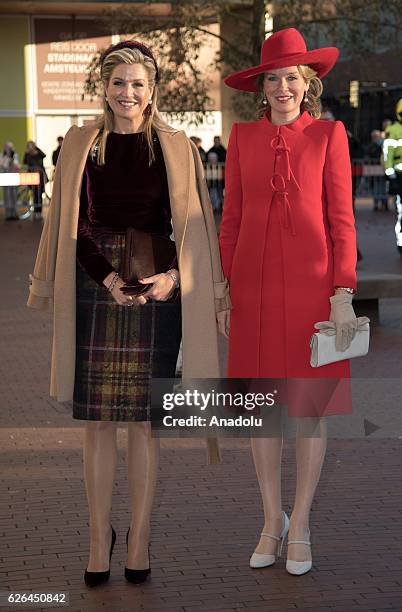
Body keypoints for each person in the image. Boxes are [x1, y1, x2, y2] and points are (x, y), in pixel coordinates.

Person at [27, 40, 230, 587]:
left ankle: (138, 537)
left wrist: (174, 279)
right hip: (96, 287)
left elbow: (191, 230)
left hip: (156, 289)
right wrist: (110, 279)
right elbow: (72, 228)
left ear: (152, 89)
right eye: (118, 83)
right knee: (96, 422)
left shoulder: (174, 146)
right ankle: (99, 537)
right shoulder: (79, 145)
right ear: (105, 88)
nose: (128, 93)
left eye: (138, 84)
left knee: (143, 423)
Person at [220, 28, 357, 576]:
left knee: (305, 410)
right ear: (262, 86)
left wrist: (342, 292)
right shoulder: (241, 138)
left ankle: (300, 521)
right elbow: (230, 220)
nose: (283, 87)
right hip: (251, 287)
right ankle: (270, 518)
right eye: (273, 78)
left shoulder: (329, 135)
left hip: (311, 289)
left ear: (309, 84)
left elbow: (343, 221)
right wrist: (224, 291)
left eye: (292, 78)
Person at [383, 99, 402, 251]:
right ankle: (401, 244)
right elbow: (387, 154)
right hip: (399, 176)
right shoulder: (393, 130)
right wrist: (390, 174)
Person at [23, 140, 47, 220]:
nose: (30, 147)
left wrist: (37, 148)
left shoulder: (38, 153)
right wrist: (26, 153)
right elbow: (24, 162)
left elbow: (44, 155)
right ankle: (35, 212)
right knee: (34, 194)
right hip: (31, 176)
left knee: (39, 194)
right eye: (28, 145)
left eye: (31, 145)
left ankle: (39, 212)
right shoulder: (28, 155)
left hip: (40, 176)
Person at [0, 142, 20, 220]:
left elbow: (17, 165)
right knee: (7, 195)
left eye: (9, 148)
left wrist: (12, 161)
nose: (7, 149)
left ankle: (14, 213)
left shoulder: (15, 155)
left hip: (13, 176)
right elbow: (2, 165)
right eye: (6, 147)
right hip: (5, 177)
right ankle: (8, 214)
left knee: (14, 195)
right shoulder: (2, 155)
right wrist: (5, 160)